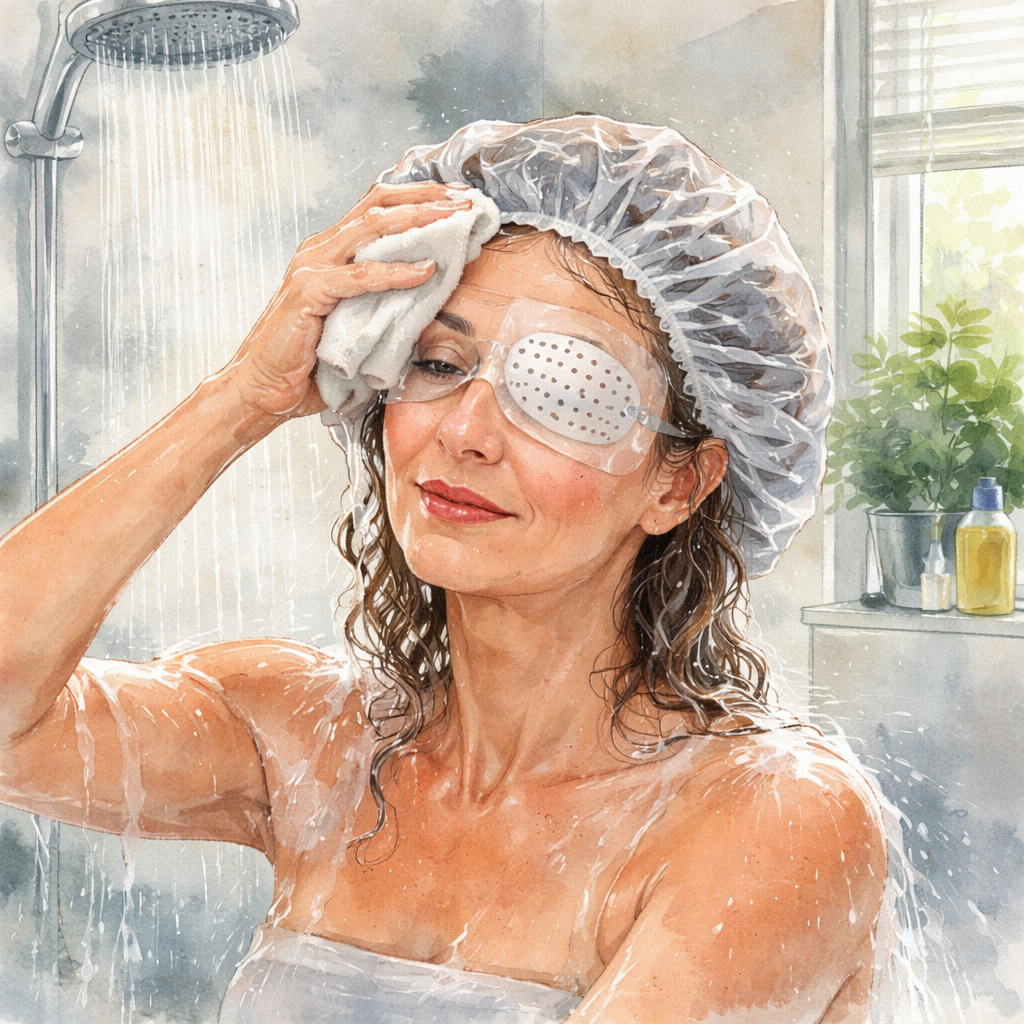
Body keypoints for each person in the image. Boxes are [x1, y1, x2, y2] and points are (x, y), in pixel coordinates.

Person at [0, 117, 886, 1023]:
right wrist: (245, 395)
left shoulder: (768, 818)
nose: (462, 432)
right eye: (434, 360)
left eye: (567, 390)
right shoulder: (319, 745)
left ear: (678, 483)